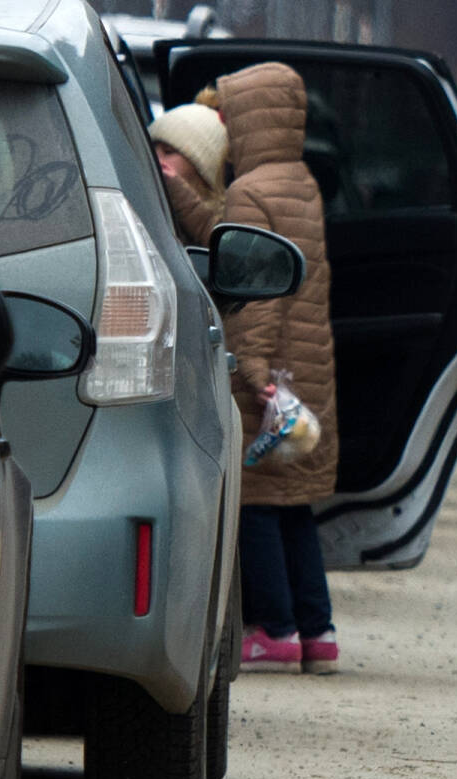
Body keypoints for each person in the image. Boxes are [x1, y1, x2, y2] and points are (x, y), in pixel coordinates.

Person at [214, 62, 342, 674]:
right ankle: (318, 631)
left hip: (273, 372)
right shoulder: (299, 181)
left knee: (257, 504)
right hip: (308, 369)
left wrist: (253, 368)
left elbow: (258, 289)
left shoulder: (249, 191)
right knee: (295, 506)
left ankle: (274, 628)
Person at [146, 99, 226, 247]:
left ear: (202, 171)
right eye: (150, 151)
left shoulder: (225, 225)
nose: (155, 161)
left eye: (168, 152)